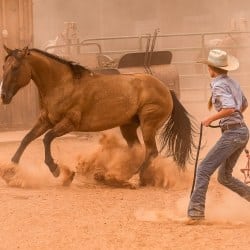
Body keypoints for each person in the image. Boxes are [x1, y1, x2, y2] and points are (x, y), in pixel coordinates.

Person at [187, 49, 250, 223]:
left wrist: (211, 118)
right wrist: (232, 119)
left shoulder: (218, 84)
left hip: (233, 133)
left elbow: (230, 107)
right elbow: (243, 104)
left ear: (212, 68)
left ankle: (195, 212)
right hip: (241, 131)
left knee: (203, 169)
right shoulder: (232, 82)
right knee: (224, 177)